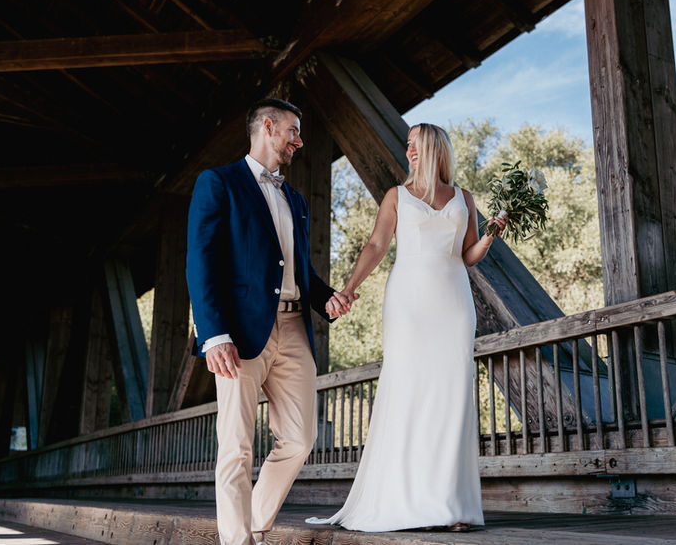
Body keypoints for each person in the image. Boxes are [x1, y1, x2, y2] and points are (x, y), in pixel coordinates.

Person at [307, 123, 507, 532]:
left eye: (414, 144)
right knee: (409, 393)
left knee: (451, 400)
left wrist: (490, 236)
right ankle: (405, 500)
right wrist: (347, 289)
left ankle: (449, 505)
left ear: (433, 147)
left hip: (454, 305)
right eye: (408, 145)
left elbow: (468, 255)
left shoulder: (463, 198)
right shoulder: (396, 196)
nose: (409, 151)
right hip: (409, 305)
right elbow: (377, 245)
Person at [186, 98, 355, 545]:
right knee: (236, 446)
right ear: (267, 126)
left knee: (299, 439)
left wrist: (327, 299)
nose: (299, 141)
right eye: (293, 131)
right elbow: (200, 262)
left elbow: (302, 271)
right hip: (237, 332)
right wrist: (212, 334)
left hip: (296, 326)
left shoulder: (294, 198)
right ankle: (239, 541)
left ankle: (254, 526)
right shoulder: (218, 183)